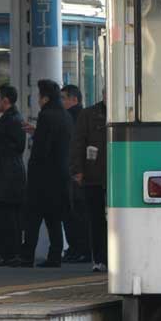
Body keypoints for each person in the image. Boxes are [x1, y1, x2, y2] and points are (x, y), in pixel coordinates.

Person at [21, 79, 73, 267]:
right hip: (61, 176)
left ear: (45, 98)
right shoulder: (65, 116)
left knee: (33, 218)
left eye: (38, 96)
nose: (37, 99)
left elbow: (42, 149)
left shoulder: (46, 115)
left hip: (43, 178)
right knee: (53, 219)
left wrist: (32, 173)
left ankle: (27, 256)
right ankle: (55, 255)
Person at [0, 85, 26, 266]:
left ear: (5, 101)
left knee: (5, 214)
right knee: (12, 215)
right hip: (13, 171)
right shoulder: (16, 118)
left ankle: (7, 253)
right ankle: (12, 252)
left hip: (8, 173)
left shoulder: (8, 120)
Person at [71, 95, 108, 272]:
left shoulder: (128, 112)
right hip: (95, 176)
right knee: (96, 219)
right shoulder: (88, 115)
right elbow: (78, 142)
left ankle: (111, 257)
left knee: (109, 219)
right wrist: (78, 170)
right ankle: (99, 258)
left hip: (118, 176)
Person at [60, 84, 90, 263]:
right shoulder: (80, 116)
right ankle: (80, 249)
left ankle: (79, 248)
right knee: (77, 212)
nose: (61, 101)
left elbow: (75, 145)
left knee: (76, 213)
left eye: (64, 98)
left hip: (74, 172)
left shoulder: (74, 117)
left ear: (74, 99)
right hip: (77, 171)